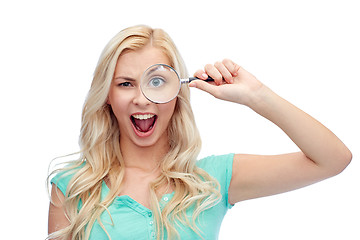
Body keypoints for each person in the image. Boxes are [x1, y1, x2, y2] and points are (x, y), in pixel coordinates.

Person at [47, 25, 352, 240]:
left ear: (177, 92)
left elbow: (332, 159)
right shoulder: (73, 186)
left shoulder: (212, 180)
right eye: (126, 83)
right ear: (107, 96)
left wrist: (257, 95)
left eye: (156, 82)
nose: (141, 98)